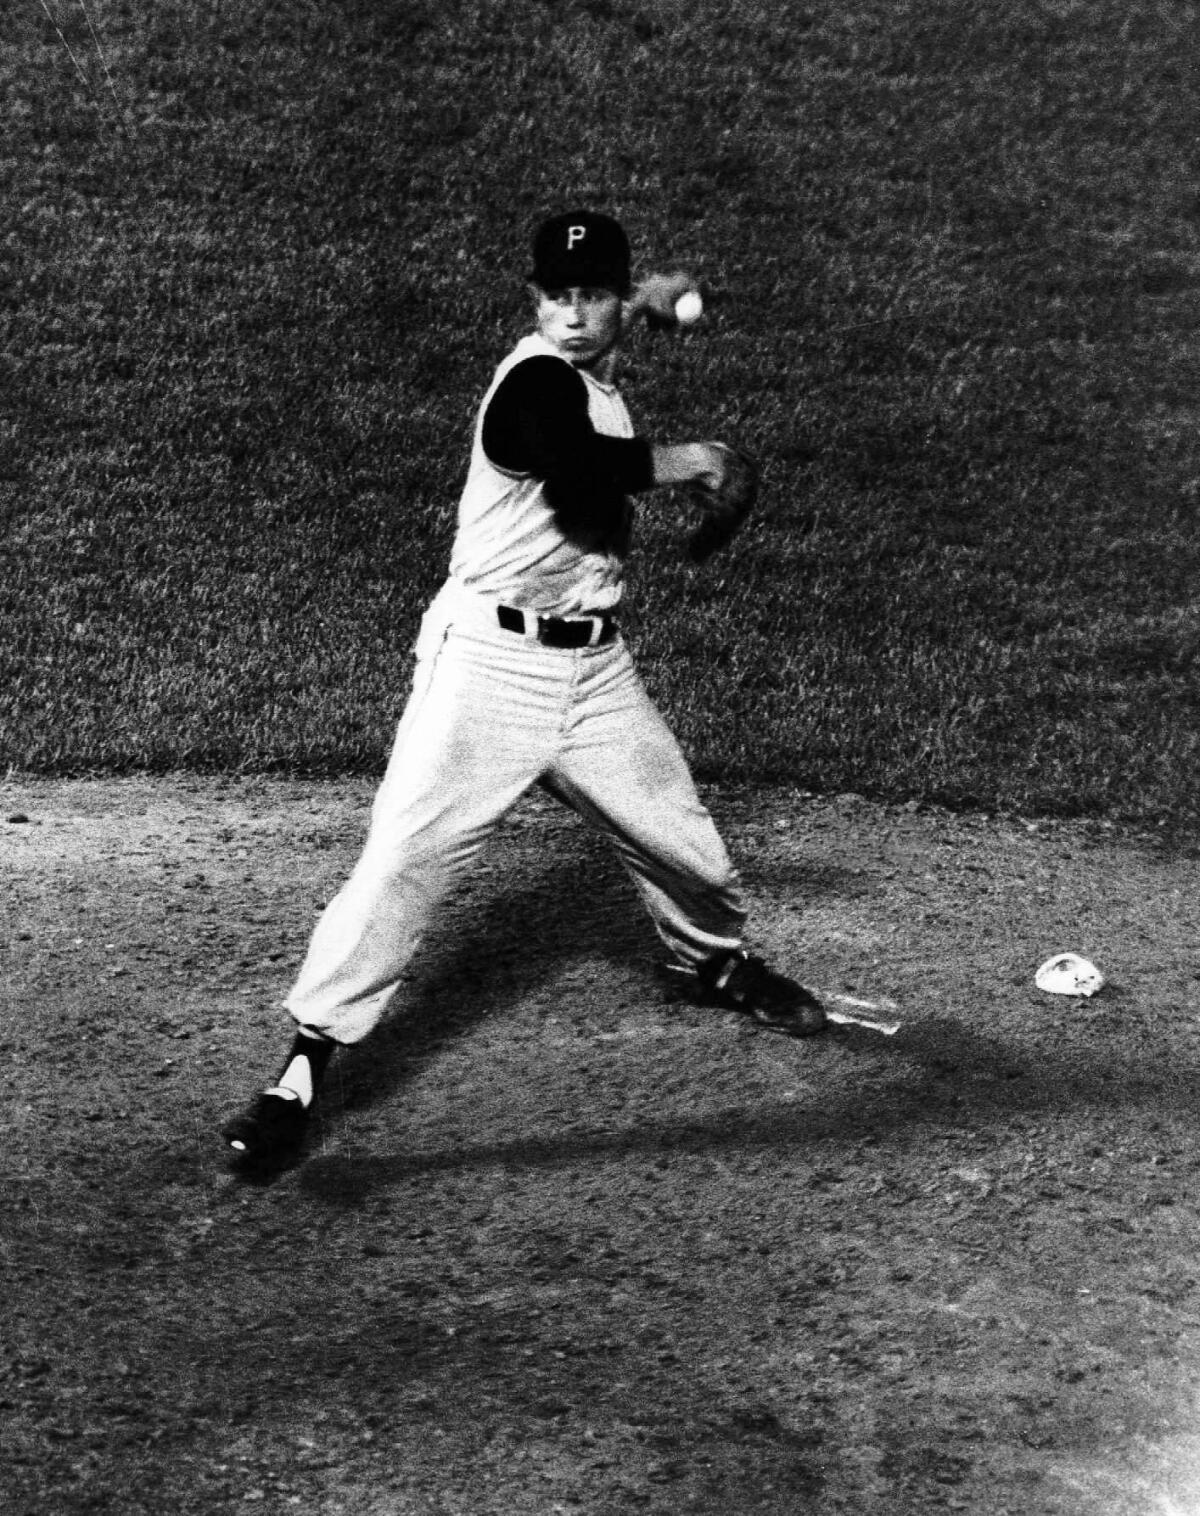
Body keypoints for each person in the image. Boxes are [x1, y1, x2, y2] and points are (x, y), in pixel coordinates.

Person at [221, 209, 827, 1170]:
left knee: (690, 849)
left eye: (593, 297)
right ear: (532, 302)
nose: (574, 316)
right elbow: (560, 449)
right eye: (557, 298)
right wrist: (692, 460)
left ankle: (710, 964)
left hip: (593, 673)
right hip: (488, 669)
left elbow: (605, 355)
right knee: (405, 860)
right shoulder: (532, 379)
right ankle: (302, 1068)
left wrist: (645, 304)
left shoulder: (598, 357)